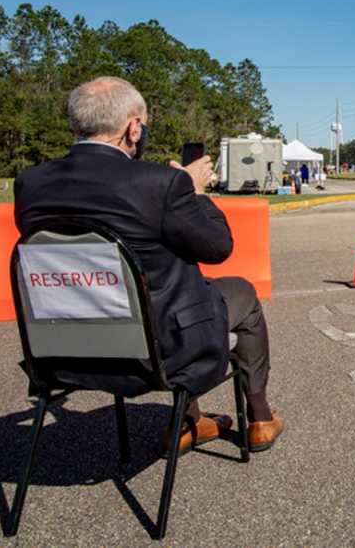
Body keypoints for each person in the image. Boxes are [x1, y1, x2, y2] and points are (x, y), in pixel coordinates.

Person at [14, 77, 285, 453]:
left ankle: (191, 421)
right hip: (156, 355)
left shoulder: (30, 183)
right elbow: (217, 247)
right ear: (133, 127)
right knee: (242, 293)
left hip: (62, 353)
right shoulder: (160, 184)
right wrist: (195, 192)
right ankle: (259, 419)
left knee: (165, 287)